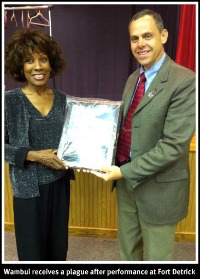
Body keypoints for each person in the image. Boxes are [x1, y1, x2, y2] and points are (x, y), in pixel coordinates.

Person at [90, 9, 196, 261]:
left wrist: (123, 171)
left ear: (164, 35)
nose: (140, 44)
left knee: (158, 258)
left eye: (147, 36)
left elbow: (173, 146)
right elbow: (126, 128)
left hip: (158, 191)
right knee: (128, 255)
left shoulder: (185, 81)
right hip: (127, 185)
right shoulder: (132, 80)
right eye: (134, 38)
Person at [4, 28, 75, 261]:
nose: (38, 66)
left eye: (43, 59)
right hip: (28, 190)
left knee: (57, 250)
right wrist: (34, 155)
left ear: (51, 62)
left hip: (59, 185)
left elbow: (75, 140)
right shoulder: (10, 102)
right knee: (32, 252)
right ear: (20, 66)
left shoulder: (63, 99)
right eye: (29, 60)